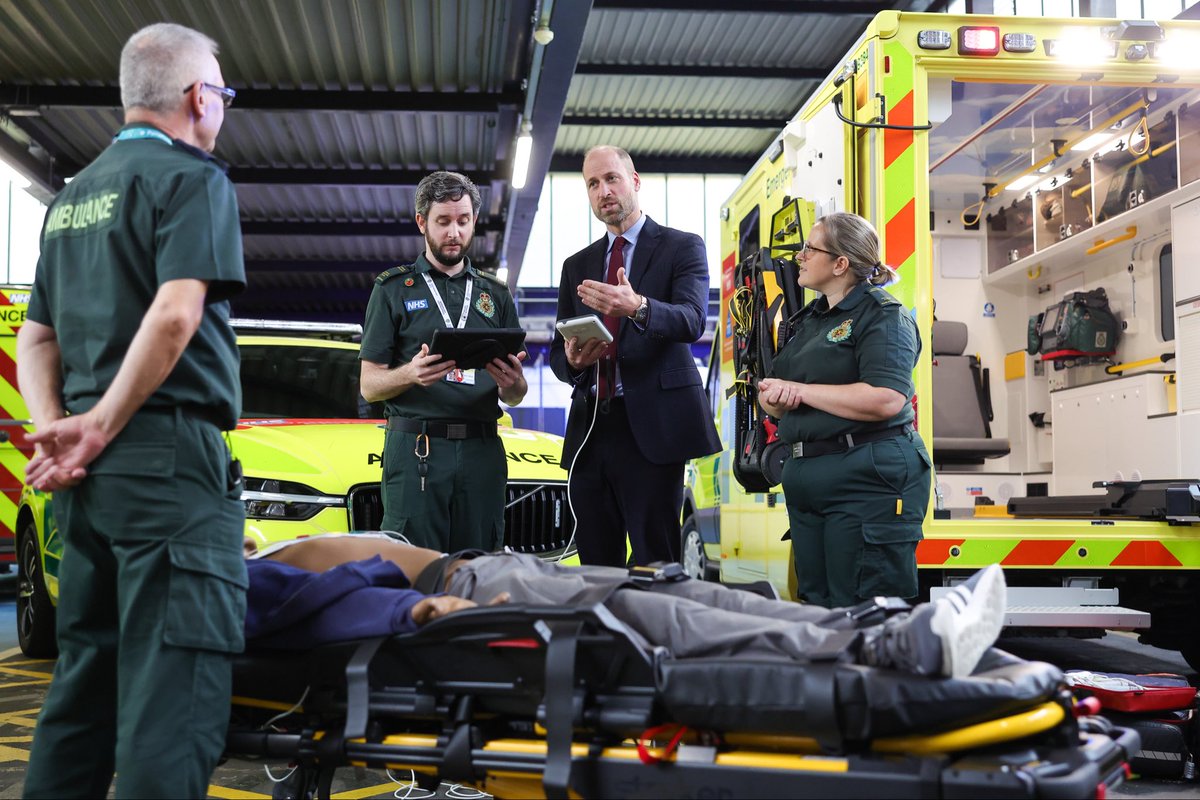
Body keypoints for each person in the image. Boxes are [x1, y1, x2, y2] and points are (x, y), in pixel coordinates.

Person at [16, 23, 247, 799]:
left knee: (86, 684)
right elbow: (177, 315)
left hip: (91, 486)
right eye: (220, 91)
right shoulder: (193, 178)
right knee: (170, 701)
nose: (220, 106)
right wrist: (104, 424)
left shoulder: (71, 197)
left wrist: (65, 434)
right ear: (195, 98)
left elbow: (37, 339)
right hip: (167, 468)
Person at [243, 534, 1007, 681]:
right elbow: (316, 616)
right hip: (468, 596)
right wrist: (411, 616)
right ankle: (884, 653)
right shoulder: (229, 583)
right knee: (660, 624)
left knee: (682, 593)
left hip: (484, 570)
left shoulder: (240, 558)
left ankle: (887, 626)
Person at [549, 145, 721, 567]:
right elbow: (557, 353)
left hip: (653, 427)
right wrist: (573, 360)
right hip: (592, 428)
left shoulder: (682, 247)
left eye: (611, 178)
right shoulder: (578, 265)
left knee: (654, 559)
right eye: (593, 184)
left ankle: (655, 634)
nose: (603, 190)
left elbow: (692, 320)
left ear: (635, 181)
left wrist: (639, 307)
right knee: (595, 561)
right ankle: (603, 633)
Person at [758, 211, 932, 609]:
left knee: (862, 610)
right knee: (820, 609)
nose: (800, 256)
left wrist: (800, 391)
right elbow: (785, 396)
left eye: (810, 248)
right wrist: (774, 400)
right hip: (809, 482)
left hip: (865, 481)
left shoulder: (884, 315)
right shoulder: (810, 320)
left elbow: (887, 398)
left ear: (840, 264)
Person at [359, 171, 527, 553]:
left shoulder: (495, 294)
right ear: (422, 222)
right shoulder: (392, 290)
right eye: (444, 221)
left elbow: (516, 396)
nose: (455, 232)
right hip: (417, 447)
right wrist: (410, 374)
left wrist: (512, 384)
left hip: (481, 449)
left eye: (464, 221)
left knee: (481, 566)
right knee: (413, 563)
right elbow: (369, 385)